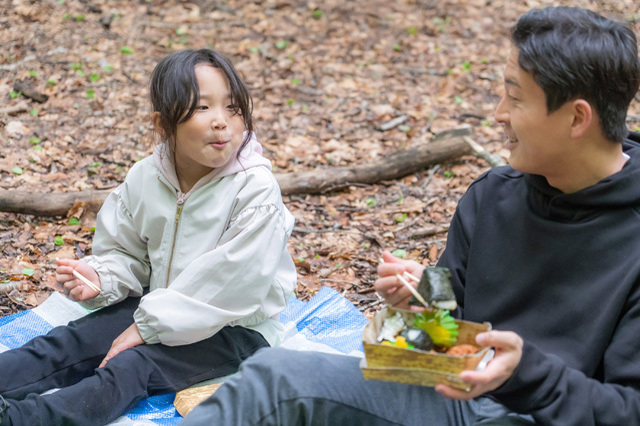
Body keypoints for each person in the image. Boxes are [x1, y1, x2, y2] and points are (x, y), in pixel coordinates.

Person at [180, 6, 640, 426]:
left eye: (516, 99)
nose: (499, 114)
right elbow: (445, 334)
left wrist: (529, 375)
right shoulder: (493, 196)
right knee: (276, 375)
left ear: (577, 119)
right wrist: (422, 303)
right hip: (454, 397)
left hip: (548, 416)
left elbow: (627, 409)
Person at [0, 48, 297, 425]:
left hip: (235, 328)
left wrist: (145, 328)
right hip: (158, 306)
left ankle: (19, 420)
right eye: (202, 108)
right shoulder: (146, 178)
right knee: (71, 341)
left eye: (234, 107)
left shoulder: (255, 190)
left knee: (131, 367)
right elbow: (128, 252)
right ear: (164, 123)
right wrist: (103, 277)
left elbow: (230, 286)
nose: (222, 122)